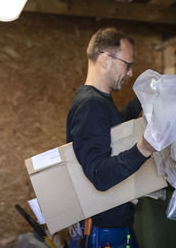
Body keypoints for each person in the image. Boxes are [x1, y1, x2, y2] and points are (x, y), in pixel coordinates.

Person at [66, 27, 156, 248]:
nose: (130, 73)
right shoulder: (91, 105)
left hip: (113, 226)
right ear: (106, 59)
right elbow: (99, 174)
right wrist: (143, 148)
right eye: (128, 65)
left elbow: (110, 132)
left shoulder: (99, 101)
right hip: (103, 231)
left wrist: (141, 101)